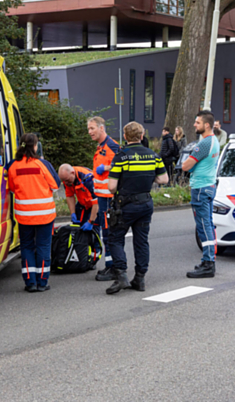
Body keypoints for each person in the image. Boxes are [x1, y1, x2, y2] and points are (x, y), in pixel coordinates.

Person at [105, 122, 168, 294]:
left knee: (115, 238)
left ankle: (121, 275)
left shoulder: (121, 157)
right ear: (142, 136)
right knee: (141, 241)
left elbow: (111, 187)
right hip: (146, 204)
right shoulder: (153, 156)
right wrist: (147, 178)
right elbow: (164, 180)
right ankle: (140, 278)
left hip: (125, 205)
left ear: (125, 136)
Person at [7, 133, 61, 292]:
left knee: (27, 247)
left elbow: (11, 188)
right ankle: (42, 283)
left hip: (24, 216)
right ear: (36, 146)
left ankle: (30, 282)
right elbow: (56, 184)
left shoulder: (13, 166)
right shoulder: (42, 164)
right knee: (43, 246)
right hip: (45, 215)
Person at [183, 111, 221, 279]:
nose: (194, 125)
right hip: (209, 186)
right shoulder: (215, 141)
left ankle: (208, 263)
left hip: (200, 188)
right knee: (208, 224)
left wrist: (189, 165)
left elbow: (185, 166)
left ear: (206, 125)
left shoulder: (204, 144)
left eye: (197, 122)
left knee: (203, 226)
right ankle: (208, 261)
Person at [87, 116, 120, 281]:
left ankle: (112, 267)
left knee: (108, 233)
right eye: (89, 129)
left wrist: (105, 167)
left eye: (92, 128)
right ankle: (110, 265)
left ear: (101, 128)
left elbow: (123, 163)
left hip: (108, 197)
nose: (90, 132)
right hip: (101, 196)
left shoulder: (112, 145)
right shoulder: (101, 147)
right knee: (105, 232)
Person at [58, 164, 99, 234]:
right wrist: (73, 213)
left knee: (94, 230)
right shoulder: (67, 179)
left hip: (96, 204)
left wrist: (91, 221)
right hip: (83, 202)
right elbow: (69, 196)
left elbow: (97, 202)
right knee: (78, 227)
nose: (66, 183)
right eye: (64, 181)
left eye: (67, 180)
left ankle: (96, 244)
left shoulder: (88, 179)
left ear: (73, 173)